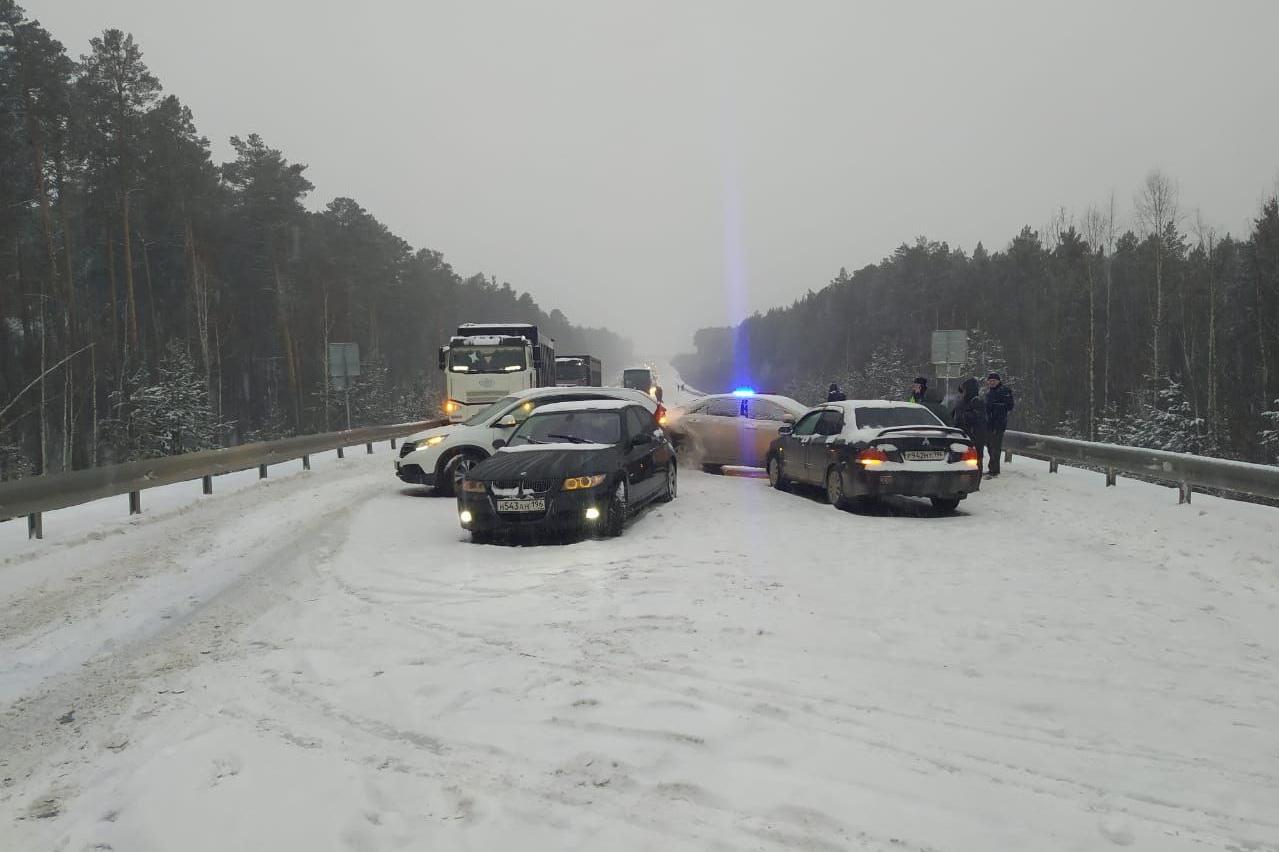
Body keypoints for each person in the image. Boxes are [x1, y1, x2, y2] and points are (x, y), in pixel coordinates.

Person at [950, 377, 988, 472]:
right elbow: (953, 414)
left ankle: (975, 480)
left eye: (964, 390)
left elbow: (979, 418)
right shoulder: (962, 401)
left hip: (974, 435)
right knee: (963, 459)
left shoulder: (977, 401)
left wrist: (964, 415)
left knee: (975, 460)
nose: (962, 393)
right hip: (962, 434)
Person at [984, 372, 1015, 477]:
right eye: (990, 381)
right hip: (989, 424)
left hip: (998, 424)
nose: (992, 383)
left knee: (995, 448)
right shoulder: (988, 393)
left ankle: (994, 470)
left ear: (998, 381)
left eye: (994, 381)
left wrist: (996, 407)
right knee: (989, 447)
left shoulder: (1005, 391)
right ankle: (992, 468)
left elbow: (1009, 406)